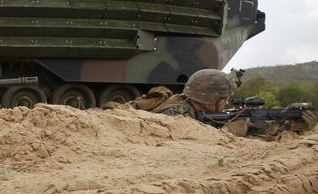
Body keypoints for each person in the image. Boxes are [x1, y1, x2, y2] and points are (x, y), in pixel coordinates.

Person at [118, 69, 316, 136]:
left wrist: (287, 125)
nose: (226, 103)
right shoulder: (179, 113)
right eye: (223, 99)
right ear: (211, 99)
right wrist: (230, 131)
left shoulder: (187, 102)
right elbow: (194, 138)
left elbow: (252, 126)